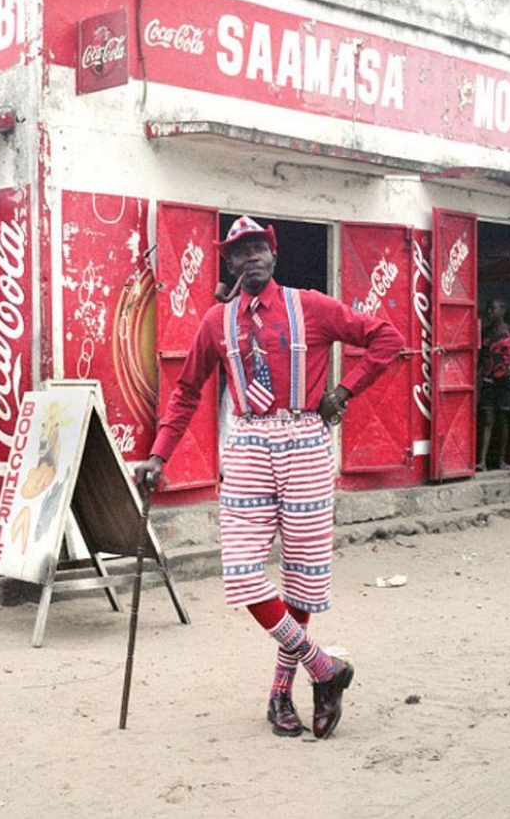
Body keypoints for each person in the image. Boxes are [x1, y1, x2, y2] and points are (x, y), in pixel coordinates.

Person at [134, 216, 404, 739]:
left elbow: (385, 338)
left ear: (273, 255)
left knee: (301, 581)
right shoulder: (217, 321)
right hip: (249, 442)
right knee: (241, 574)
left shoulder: (312, 307)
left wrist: (344, 391)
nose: (250, 257)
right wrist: (159, 455)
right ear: (230, 264)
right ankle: (325, 668)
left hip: (304, 439)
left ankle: (281, 694)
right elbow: (188, 391)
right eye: (239, 252)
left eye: (259, 248)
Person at [477, 299, 510, 471]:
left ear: (502, 310)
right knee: (488, 419)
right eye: (488, 309)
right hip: (488, 379)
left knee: (503, 419)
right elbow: (480, 357)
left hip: (505, 380)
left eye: (493, 309)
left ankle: (501, 460)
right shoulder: (485, 332)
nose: (490, 312)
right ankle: (482, 461)